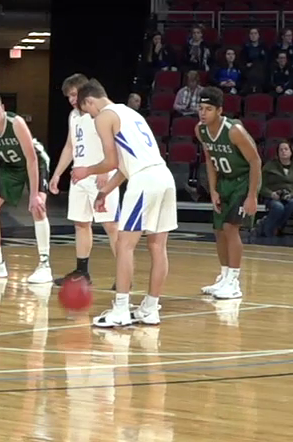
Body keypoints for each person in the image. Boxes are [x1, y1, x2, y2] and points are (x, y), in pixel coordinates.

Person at [75, 81, 176, 328]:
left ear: (90, 101)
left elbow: (110, 162)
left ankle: (120, 309)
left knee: (125, 245)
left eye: (88, 111)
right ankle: (150, 309)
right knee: (157, 246)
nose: (91, 116)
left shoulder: (104, 117)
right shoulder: (132, 114)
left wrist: (86, 169)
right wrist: (105, 192)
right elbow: (124, 163)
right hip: (164, 176)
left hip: (144, 180)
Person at [0, 93, 53, 284]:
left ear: (3, 108)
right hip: (11, 167)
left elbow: (31, 159)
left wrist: (33, 195)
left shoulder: (16, 123)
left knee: (38, 207)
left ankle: (44, 265)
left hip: (35, 163)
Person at [47, 73, 119, 288]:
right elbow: (70, 146)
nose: (71, 100)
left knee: (111, 225)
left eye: (74, 95)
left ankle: (124, 274)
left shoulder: (102, 113)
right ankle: (82, 272)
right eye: (68, 96)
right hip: (79, 176)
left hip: (100, 175)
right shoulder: (74, 116)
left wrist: (106, 170)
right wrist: (57, 173)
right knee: (81, 223)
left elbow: (116, 142)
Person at [196, 88, 261, 300]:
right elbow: (209, 159)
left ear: (220, 110)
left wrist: (252, 196)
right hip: (224, 182)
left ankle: (234, 281)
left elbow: (255, 161)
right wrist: (213, 189)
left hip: (242, 181)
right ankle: (224, 276)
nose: (203, 113)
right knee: (218, 230)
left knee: (230, 228)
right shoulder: (201, 130)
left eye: (208, 109)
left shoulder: (234, 131)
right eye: (200, 108)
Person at [258, 140, 293, 238]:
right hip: (273, 196)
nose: (283, 152)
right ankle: (268, 233)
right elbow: (260, 185)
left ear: (291, 151)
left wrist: (291, 195)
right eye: (281, 150)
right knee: (278, 207)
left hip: (291, 195)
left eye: (286, 149)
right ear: (277, 152)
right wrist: (271, 194)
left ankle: (271, 225)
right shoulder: (269, 166)